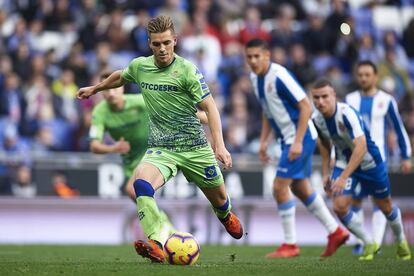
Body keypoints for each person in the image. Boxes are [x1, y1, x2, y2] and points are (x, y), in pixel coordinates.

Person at [77, 15, 243, 263]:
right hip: (162, 148)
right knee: (141, 184)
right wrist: (95, 89)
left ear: (175, 41)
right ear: (149, 44)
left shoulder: (187, 71)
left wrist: (219, 145)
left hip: (195, 148)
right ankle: (156, 241)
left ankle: (225, 213)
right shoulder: (141, 67)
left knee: (219, 199)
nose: (162, 48)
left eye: (166, 42)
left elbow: (211, 108)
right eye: (156, 44)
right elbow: (120, 76)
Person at [245, 38, 348, 258]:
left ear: (267, 55)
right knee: (300, 188)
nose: (253, 61)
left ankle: (290, 244)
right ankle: (336, 231)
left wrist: (298, 141)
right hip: (287, 139)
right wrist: (264, 141)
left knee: (279, 187)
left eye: (257, 56)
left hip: (300, 137)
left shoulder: (279, 75)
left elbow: (305, 106)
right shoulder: (255, 78)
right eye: (249, 57)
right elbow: (267, 110)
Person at [311, 78, 411, 261]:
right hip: (344, 162)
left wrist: (343, 177)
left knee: (385, 206)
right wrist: (326, 172)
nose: (320, 102)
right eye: (316, 98)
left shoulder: (347, 113)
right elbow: (324, 144)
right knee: (340, 207)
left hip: (369, 162)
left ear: (334, 95)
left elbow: (361, 146)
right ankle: (368, 242)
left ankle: (401, 240)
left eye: (325, 96)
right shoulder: (317, 119)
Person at [345, 60, 412, 254]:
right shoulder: (350, 100)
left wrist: (406, 156)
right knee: (355, 200)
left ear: (375, 77)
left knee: (379, 201)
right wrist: (335, 154)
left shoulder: (386, 100)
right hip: (354, 158)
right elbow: (341, 131)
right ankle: (359, 243)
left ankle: (376, 243)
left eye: (368, 74)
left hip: (378, 160)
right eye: (361, 75)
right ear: (357, 77)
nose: (364, 78)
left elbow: (398, 129)